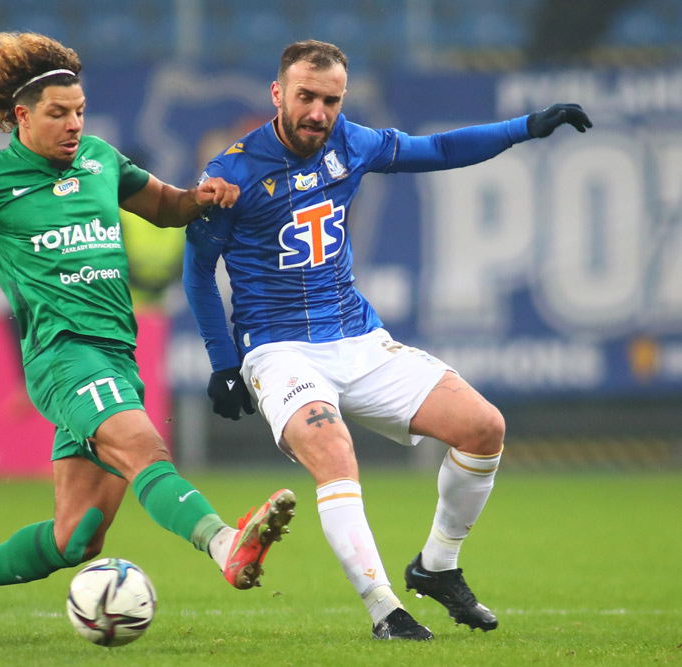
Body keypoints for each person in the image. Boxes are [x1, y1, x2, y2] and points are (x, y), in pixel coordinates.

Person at [0, 32, 297, 639]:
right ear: (22, 116)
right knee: (145, 448)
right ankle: (226, 544)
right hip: (60, 355)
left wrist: (203, 199)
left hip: (117, 354)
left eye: (80, 112)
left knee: (77, 538)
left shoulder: (100, 160)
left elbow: (167, 208)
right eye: (58, 114)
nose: (74, 125)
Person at [183, 40, 592, 641]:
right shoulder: (232, 172)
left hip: (358, 335)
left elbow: (441, 149)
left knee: (484, 428)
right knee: (335, 452)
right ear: (277, 94)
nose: (319, 112)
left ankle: (436, 567)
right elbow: (196, 273)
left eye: (331, 99)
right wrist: (224, 364)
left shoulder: (351, 142)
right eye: (306, 97)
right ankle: (385, 610)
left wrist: (527, 126)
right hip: (279, 350)